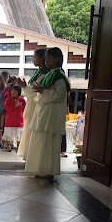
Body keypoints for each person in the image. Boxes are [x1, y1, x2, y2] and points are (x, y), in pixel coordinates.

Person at [25, 47, 71, 179]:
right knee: (42, 142)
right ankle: (41, 169)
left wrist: (42, 92)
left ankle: (49, 171)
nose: (46, 61)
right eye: (46, 58)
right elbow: (40, 94)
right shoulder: (51, 74)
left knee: (49, 143)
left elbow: (60, 95)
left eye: (49, 58)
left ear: (57, 59)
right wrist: (40, 92)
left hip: (52, 115)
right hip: (44, 112)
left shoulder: (59, 76)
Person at [16, 48, 49, 160]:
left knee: (33, 133)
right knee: (29, 132)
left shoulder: (45, 73)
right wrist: (25, 86)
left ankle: (33, 158)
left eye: (35, 57)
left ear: (43, 58)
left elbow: (35, 93)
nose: (33, 60)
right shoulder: (38, 72)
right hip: (32, 105)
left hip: (37, 106)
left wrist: (24, 86)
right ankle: (29, 157)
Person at [2, 85, 26, 152]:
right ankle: (8, 146)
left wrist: (19, 106)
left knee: (19, 135)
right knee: (8, 133)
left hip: (19, 120)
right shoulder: (8, 99)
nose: (13, 92)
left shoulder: (22, 100)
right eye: (12, 91)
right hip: (10, 120)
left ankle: (18, 147)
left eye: (15, 91)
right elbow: (6, 107)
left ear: (19, 92)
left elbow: (25, 108)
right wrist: (14, 106)